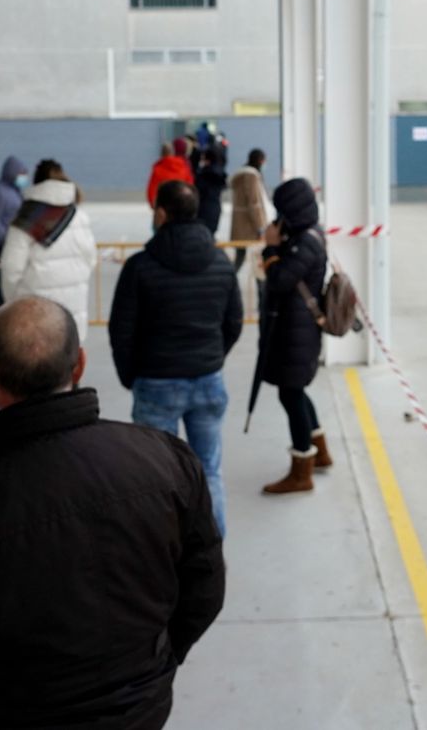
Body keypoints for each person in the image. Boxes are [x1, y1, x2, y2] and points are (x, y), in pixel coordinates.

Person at [0, 297, 225, 730]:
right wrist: (152, 667)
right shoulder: (166, 462)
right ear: (79, 365)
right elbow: (205, 587)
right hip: (142, 710)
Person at [108, 180, 243, 536]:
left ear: (162, 213)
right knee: (208, 470)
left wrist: (131, 376)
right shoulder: (220, 261)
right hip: (208, 381)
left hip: (155, 384)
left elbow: (121, 330)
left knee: (156, 477)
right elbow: (234, 322)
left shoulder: (139, 267)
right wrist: (212, 358)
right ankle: (212, 556)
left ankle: (163, 558)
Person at [256, 178, 332, 495]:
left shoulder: (305, 243)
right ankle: (319, 450)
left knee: (291, 394)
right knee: (295, 390)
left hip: (296, 330)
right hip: (296, 328)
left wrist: (271, 248)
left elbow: (281, 281)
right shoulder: (308, 234)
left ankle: (302, 471)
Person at [0, 160, 97, 340]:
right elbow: (91, 260)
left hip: (34, 316)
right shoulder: (80, 216)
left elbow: (11, 269)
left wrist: (15, 302)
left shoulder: (25, 220)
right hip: (73, 317)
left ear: (37, 184)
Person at [0, 155, 28, 310]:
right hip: (0, 243)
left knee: (9, 283)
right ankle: (0, 314)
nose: (24, 177)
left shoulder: (15, 191)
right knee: (4, 282)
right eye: (21, 173)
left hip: (12, 243)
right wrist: (5, 240)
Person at [229, 148, 271, 272]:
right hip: (250, 225)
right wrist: (260, 227)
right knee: (258, 260)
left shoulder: (241, 175)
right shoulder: (251, 176)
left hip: (241, 224)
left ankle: (229, 281)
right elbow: (254, 202)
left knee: (240, 257)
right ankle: (261, 290)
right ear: (260, 160)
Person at [145, 139, 193, 209]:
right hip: (181, 205)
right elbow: (190, 186)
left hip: (163, 206)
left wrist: (153, 205)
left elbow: (151, 189)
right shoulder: (183, 166)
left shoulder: (158, 169)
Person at [193, 144, 228, 237]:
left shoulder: (204, 174)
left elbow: (197, 190)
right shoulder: (220, 174)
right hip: (215, 209)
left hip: (202, 210)